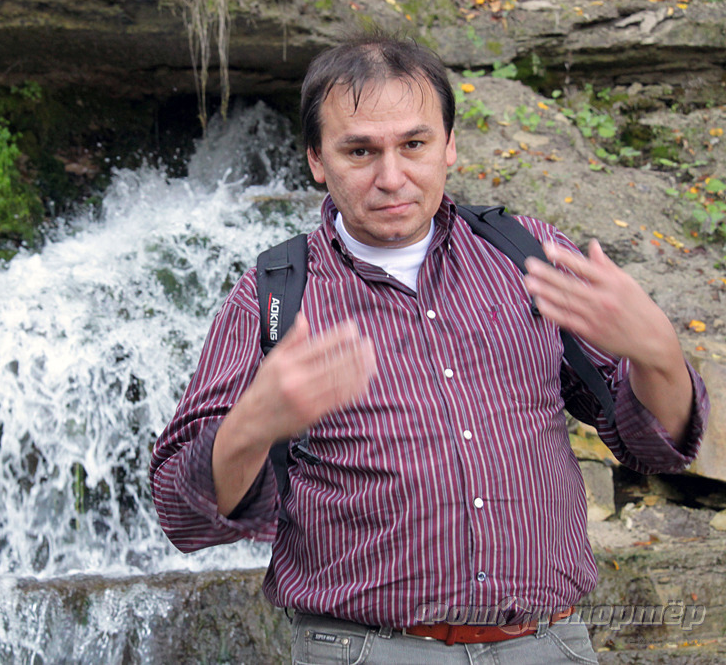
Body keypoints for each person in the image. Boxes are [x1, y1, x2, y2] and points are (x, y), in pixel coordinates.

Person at [150, 34, 709, 664]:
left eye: (413, 145)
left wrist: (659, 355)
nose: (392, 178)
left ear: (449, 145)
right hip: (366, 650)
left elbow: (653, 447)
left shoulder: (528, 256)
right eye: (360, 151)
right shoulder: (275, 296)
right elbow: (182, 514)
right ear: (316, 159)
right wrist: (250, 426)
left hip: (549, 643)